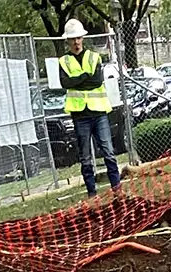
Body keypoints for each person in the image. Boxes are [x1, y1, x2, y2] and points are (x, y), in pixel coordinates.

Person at [58, 19, 123, 197]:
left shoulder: (94, 57)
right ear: (68, 41)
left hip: (99, 112)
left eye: (78, 38)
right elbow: (65, 83)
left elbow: (96, 81)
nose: (76, 42)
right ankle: (92, 193)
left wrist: (78, 80)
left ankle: (117, 189)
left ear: (83, 38)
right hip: (80, 115)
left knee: (108, 152)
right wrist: (86, 75)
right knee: (85, 157)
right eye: (73, 39)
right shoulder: (63, 61)